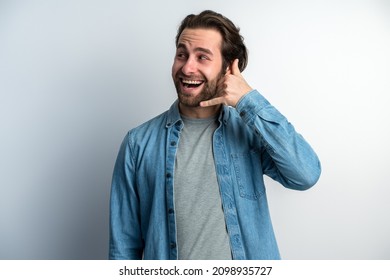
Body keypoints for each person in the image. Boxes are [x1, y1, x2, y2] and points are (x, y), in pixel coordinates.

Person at [109, 10, 321, 260]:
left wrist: (247, 100)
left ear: (228, 69)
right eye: (181, 55)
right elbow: (123, 248)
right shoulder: (138, 144)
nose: (187, 67)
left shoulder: (250, 134)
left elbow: (305, 174)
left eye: (202, 57)